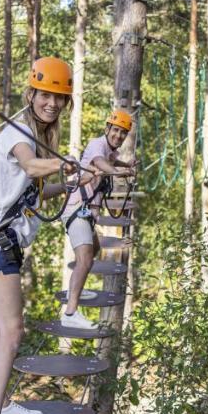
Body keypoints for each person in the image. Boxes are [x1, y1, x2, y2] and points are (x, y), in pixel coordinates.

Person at [0, 56, 82, 414]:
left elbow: (30, 192)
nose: (52, 103)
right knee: (12, 331)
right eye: (46, 95)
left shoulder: (35, 134)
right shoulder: (20, 132)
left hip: (0, 240)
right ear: (32, 93)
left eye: (59, 97)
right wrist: (63, 163)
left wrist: (72, 181)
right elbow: (30, 165)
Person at [59, 109, 137, 331]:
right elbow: (101, 162)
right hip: (76, 208)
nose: (118, 136)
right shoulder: (97, 145)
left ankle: (78, 287)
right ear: (107, 129)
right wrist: (116, 172)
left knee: (91, 250)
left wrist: (127, 166)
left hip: (84, 210)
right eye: (115, 131)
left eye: (123, 133)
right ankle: (71, 312)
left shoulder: (110, 150)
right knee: (85, 259)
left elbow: (113, 160)